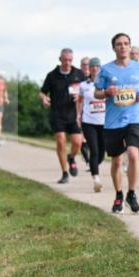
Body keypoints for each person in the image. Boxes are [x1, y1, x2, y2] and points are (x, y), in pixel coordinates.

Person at [95, 33, 139, 214]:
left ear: (130, 46)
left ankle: (131, 194)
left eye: (126, 44)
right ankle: (118, 195)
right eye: (119, 44)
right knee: (116, 160)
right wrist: (107, 92)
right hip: (112, 121)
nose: (123, 47)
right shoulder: (106, 70)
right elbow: (97, 93)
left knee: (133, 154)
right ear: (114, 48)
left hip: (133, 118)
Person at [40, 48, 85, 183]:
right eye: (65, 60)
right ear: (60, 59)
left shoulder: (78, 74)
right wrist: (44, 98)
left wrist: (80, 96)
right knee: (60, 141)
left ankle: (71, 157)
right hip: (57, 114)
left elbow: (87, 91)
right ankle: (65, 172)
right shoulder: (52, 75)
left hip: (73, 114)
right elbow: (42, 92)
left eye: (70, 60)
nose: (67, 63)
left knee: (77, 142)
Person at [78, 57, 107, 192]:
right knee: (94, 150)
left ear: (100, 68)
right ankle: (96, 179)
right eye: (92, 66)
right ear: (89, 69)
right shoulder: (84, 85)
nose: (94, 69)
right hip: (88, 122)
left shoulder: (106, 84)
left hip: (104, 122)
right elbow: (79, 101)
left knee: (102, 151)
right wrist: (78, 115)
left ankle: (94, 164)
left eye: (97, 66)